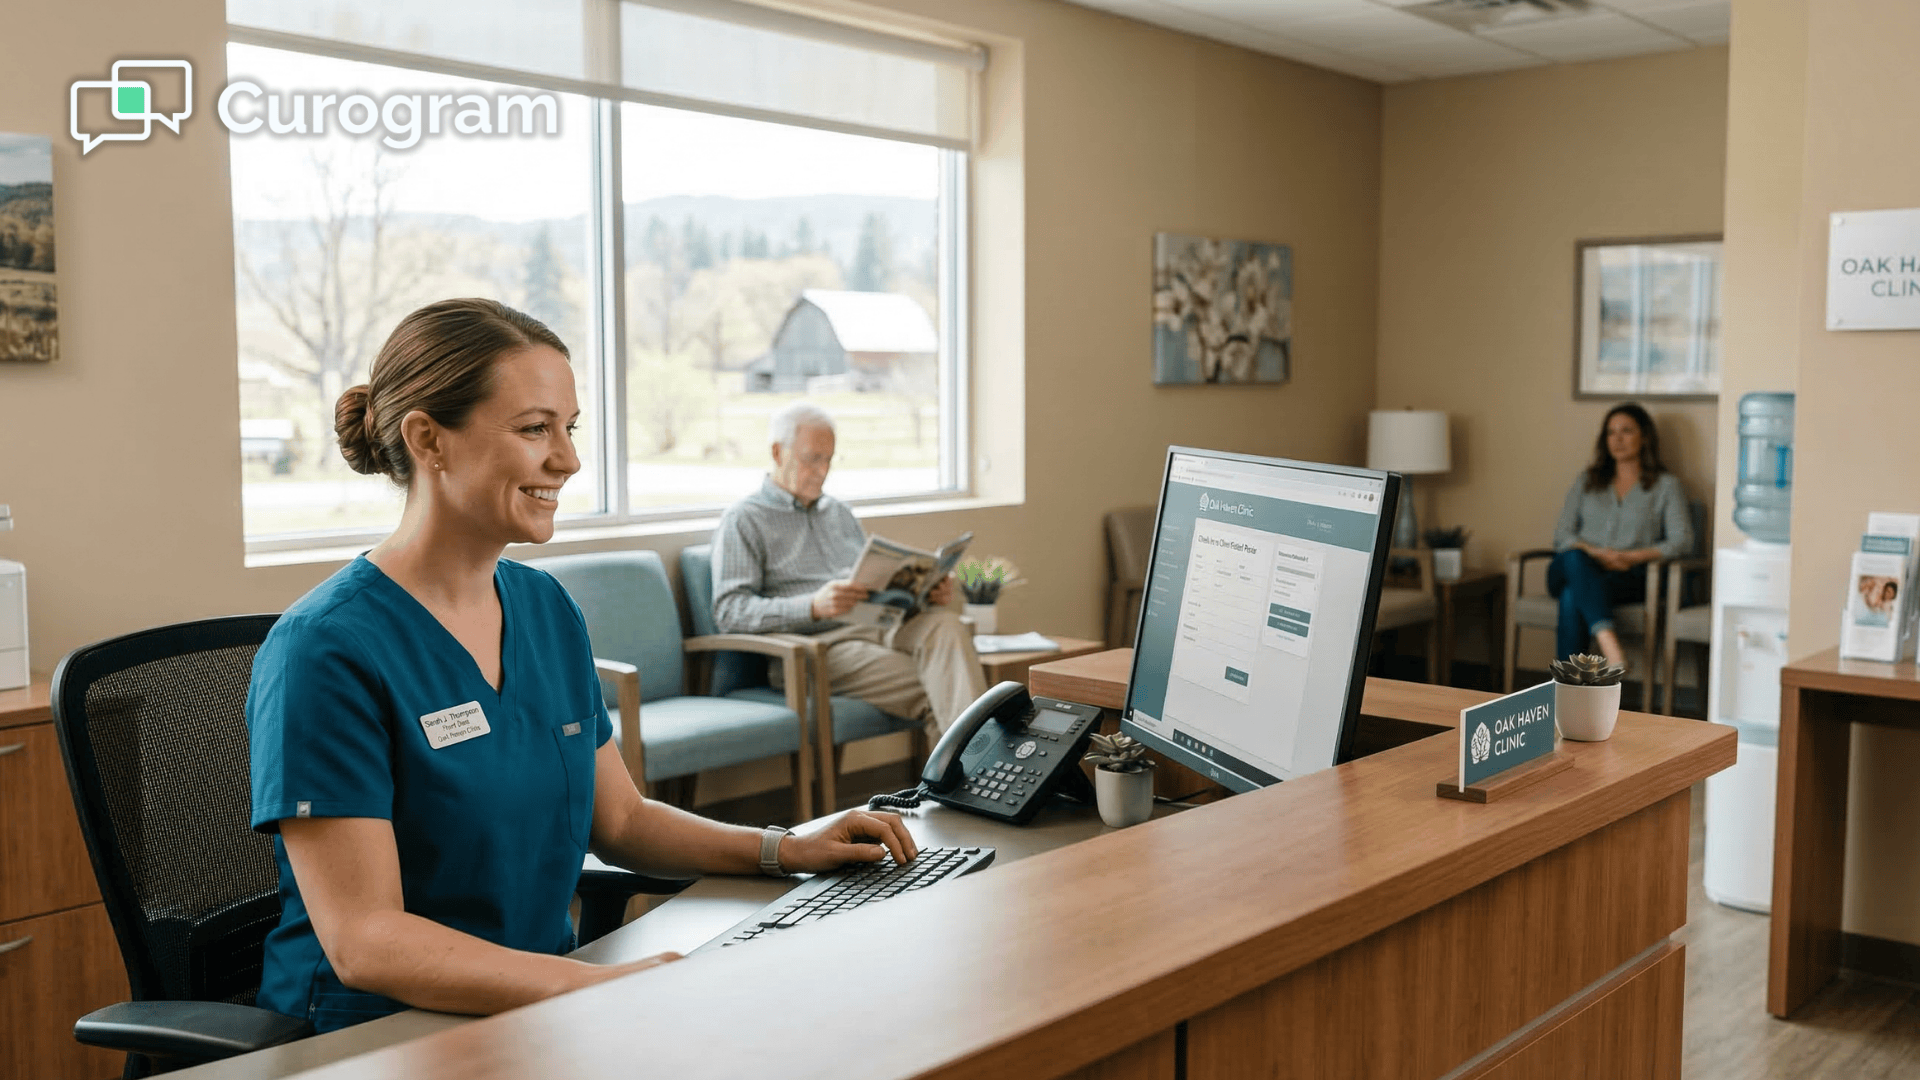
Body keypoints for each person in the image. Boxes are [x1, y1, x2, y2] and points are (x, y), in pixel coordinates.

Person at [247, 299, 918, 1033]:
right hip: (377, 1031)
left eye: (568, 428)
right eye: (535, 429)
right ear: (427, 440)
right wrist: (594, 988)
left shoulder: (543, 608)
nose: (566, 459)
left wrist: (785, 848)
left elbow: (622, 820)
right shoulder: (325, 649)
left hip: (534, 1004)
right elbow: (365, 942)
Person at [710, 402, 987, 737]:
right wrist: (812, 606)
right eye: (813, 458)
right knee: (948, 688)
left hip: (876, 626)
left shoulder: (838, 512)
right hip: (815, 648)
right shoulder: (744, 519)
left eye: (829, 459)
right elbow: (729, 612)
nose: (823, 470)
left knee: (946, 625)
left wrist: (927, 593)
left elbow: (872, 584)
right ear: (777, 452)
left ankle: (963, 786)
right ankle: (983, 785)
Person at [1548, 403, 1692, 668]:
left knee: (1571, 596)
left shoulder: (1666, 486)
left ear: (1645, 436)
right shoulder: (1587, 480)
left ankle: (1568, 692)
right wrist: (1598, 555)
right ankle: (1610, 646)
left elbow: (1682, 540)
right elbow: (1562, 536)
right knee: (1574, 557)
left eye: (1627, 431)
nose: (1617, 439)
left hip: (1630, 576)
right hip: (1579, 565)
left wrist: (1630, 556)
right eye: (1611, 432)